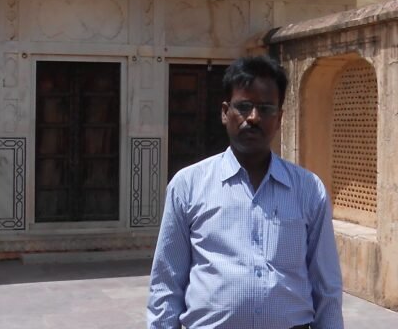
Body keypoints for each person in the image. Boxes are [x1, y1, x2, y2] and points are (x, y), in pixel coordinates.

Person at [147, 55, 344, 329]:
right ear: (225, 112)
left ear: (280, 118)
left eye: (265, 108)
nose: (253, 117)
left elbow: (327, 286)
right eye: (244, 107)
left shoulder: (308, 190)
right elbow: (166, 284)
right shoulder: (188, 185)